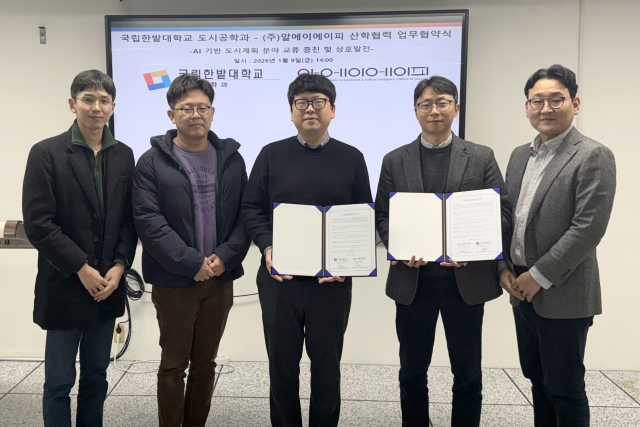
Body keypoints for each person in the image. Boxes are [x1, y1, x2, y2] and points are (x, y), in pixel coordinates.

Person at [375, 76, 512, 427]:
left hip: (465, 281)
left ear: (456, 108)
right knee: (411, 371)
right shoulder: (394, 160)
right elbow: (383, 216)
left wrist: (473, 247)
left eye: (442, 103)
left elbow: (502, 213)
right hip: (413, 281)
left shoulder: (481, 157)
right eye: (426, 104)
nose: (434, 110)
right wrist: (401, 248)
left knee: (467, 372)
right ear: (416, 111)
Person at [242, 73, 373, 427]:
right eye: (301, 102)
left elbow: (363, 216)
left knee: (327, 367)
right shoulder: (270, 155)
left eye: (318, 101)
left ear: (332, 110)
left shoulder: (352, 157)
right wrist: (267, 247)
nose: (310, 109)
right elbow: (251, 208)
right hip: (279, 280)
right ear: (291, 111)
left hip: (331, 283)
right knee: (281, 366)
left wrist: (349, 263)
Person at [499, 64, 616, 427]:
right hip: (520, 289)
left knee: (565, 389)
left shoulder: (593, 155)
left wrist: (538, 275)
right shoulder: (519, 155)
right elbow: (508, 217)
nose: (546, 108)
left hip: (563, 292)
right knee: (538, 381)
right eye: (537, 101)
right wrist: (503, 267)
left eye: (556, 99)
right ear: (527, 107)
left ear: (575, 103)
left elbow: (588, 228)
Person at [132, 73, 250, 427]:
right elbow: (148, 221)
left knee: (205, 364)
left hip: (219, 280)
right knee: (173, 366)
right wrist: (191, 263)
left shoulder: (232, 159)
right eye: (186, 108)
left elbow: (246, 216)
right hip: (174, 281)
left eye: (202, 107)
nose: (195, 114)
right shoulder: (151, 162)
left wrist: (225, 257)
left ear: (212, 112)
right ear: (172, 115)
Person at [22, 69, 137, 426]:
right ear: (73, 104)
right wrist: (81, 268)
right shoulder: (46, 153)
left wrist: (120, 265)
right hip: (65, 284)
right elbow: (39, 224)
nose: (96, 107)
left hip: (107, 288)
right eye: (88, 99)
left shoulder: (124, 155)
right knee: (58, 382)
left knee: (96, 379)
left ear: (113, 107)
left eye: (104, 100)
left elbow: (129, 220)